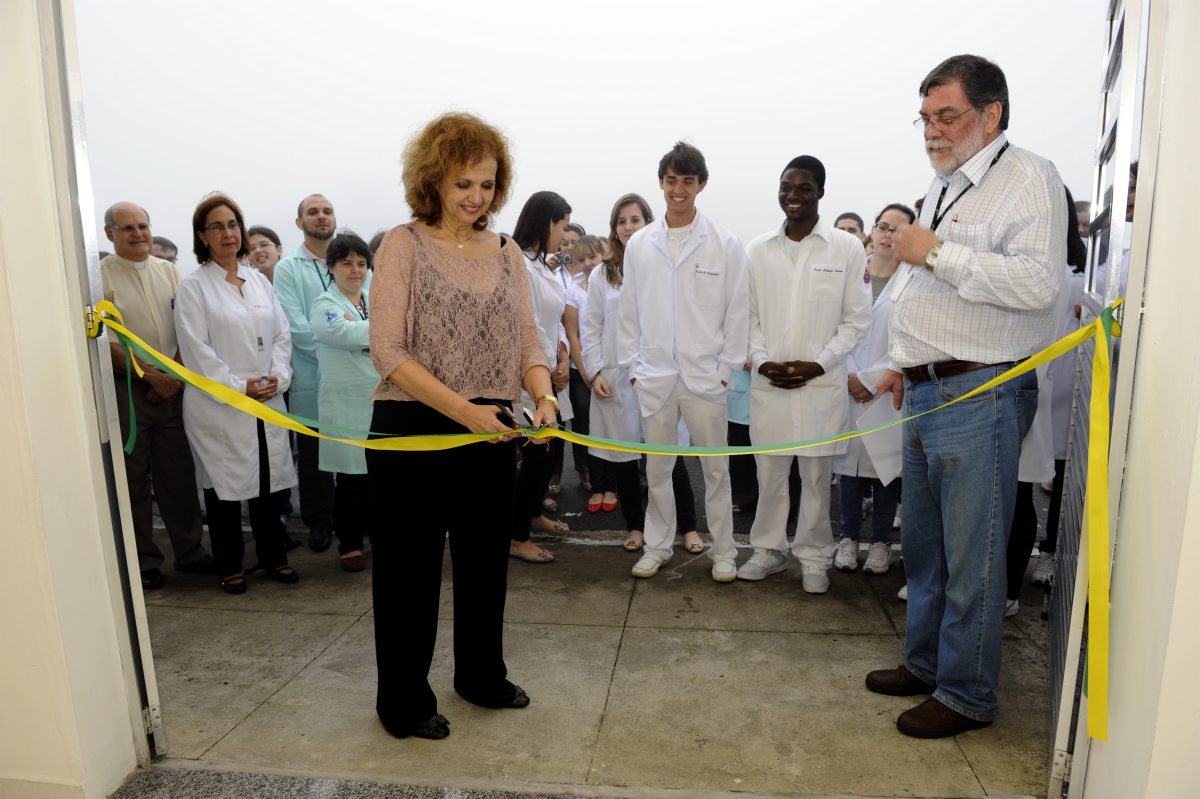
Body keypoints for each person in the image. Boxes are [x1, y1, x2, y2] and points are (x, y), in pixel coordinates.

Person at [865, 54, 1066, 738]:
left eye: (946, 116)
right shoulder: (944, 183)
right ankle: (926, 662)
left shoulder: (1028, 178)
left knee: (972, 556)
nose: (933, 130)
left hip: (980, 393)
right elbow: (922, 285)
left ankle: (967, 692)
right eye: (925, 118)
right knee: (926, 548)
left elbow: (1039, 285)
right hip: (928, 390)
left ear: (991, 114)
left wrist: (934, 252)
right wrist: (904, 361)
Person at [366, 111, 554, 740]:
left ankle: (480, 676)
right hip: (411, 426)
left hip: (491, 428)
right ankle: (403, 702)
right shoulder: (403, 244)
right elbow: (388, 350)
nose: (476, 197)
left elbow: (528, 340)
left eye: (487, 184)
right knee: (408, 574)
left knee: (484, 564)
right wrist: (466, 412)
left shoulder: (507, 253)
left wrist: (544, 396)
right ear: (434, 181)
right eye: (463, 183)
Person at [735, 156, 872, 593]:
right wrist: (761, 361)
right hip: (769, 384)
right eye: (786, 187)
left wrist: (820, 363)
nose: (793, 196)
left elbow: (857, 319)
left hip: (821, 385)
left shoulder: (845, 249)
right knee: (770, 475)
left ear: (821, 193)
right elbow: (747, 316)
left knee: (815, 479)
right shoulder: (758, 249)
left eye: (804, 188)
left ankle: (814, 559)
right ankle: (769, 551)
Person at [619, 142, 749, 582]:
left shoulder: (725, 243)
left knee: (716, 470)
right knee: (658, 469)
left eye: (687, 181)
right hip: (654, 376)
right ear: (661, 183)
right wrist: (634, 369)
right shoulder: (640, 244)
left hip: (706, 377)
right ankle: (657, 546)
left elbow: (737, 310)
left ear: (701, 185)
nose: (678, 189)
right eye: (671, 180)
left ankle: (724, 550)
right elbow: (630, 311)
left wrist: (726, 370)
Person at [174, 193, 299, 594]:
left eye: (233, 224)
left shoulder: (259, 281)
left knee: (268, 478)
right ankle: (230, 564)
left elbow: (282, 335)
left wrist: (277, 377)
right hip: (220, 403)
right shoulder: (194, 287)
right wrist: (238, 386)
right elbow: (195, 349)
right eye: (217, 226)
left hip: (266, 396)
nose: (227, 233)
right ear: (202, 236)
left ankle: (274, 557)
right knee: (224, 485)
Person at [101, 202, 211, 591]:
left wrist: (172, 376)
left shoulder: (170, 272)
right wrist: (150, 377)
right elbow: (106, 341)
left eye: (143, 226)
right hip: (129, 390)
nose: (138, 234)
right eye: (127, 228)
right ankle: (144, 561)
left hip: (174, 388)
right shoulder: (99, 278)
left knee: (178, 476)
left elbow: (187, 328)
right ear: (109, 233)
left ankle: (190, 553)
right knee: (133, 479)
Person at [601, 194, 699, 552]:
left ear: (647, 223)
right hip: (620, 379)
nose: (628, 227)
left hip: (663, 375)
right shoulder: (603, 274)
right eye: (621, 221)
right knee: (627, 460)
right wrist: (595, 371)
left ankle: (688, 527)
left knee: (669, 458)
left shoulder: (664, 264)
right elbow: (591, 326)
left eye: (635, 220)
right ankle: (635, 527)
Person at [832, 203, 915, 576]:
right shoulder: (850, 274)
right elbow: (832, 328)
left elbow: (912, 338)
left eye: (897, 229)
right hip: (845, 382)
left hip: (888, 386)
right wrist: (852, 375)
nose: (887, 234)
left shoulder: (914, 282)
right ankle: (848, 539)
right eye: (882, 226)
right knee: (847, 470)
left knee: (886, 468)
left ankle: (881, 543)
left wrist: (872, 379)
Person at [274, 194, 344, 553]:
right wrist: (339, 349)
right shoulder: (288, 268)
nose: (321, 216)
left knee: (353, 453)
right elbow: (294, 324)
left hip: (352, 379)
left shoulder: (351, 261)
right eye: (313, 212)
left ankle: (354, 521)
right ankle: (319, 521)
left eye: (327, 211)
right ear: (299, 222)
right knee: (314, 456)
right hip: (310, 375)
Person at [511, 190, 574, 562]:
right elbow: (528, 324)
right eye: (562, 226)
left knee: (549, 454)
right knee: (536, 458)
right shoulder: (518, 263)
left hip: (552, 374)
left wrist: (563, 357)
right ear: (546, 222)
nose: (564, 236)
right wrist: (548, 367)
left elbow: (556, 322)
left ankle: (533, 513)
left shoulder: (543, 266)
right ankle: (517, 536)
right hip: (531, 378)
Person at [310, 231, 375, 572]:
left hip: (377, 398)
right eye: (347, 263)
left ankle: (377, 534)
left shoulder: (373, 299)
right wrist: (371, 330)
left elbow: (397, 333)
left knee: (379, 475)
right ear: (331, 267)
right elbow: (342, 334)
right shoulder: (324, 304)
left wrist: (364, 328)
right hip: (347, 402)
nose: (355, 270)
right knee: (351, 478)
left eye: (362, 263)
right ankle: (349, 544)